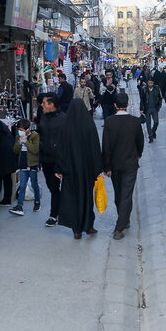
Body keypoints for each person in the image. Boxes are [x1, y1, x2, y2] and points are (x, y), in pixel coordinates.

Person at [56, 99, 103, 239]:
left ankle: (76, 229)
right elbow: (95, 147)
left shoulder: (65, 126)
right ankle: (88, 225)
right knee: (87, 197)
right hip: (86, 170)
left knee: (72, 198)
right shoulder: (88, 124)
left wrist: (59, 168)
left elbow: (60, 149)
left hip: (70, 170)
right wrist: (98, 168)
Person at [101, 92, 144, 240]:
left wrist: (106, 166)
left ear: (114, 105)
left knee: (119, 193)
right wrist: (138, 154)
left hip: (115, 164)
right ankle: (124, 220)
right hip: (130, 163)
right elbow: (140, 141)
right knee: (126, 194)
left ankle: (120, 226)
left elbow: (105, 146)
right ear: (127, 104)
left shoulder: (109, 122)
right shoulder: (135, 121)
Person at [37, 93, 67, 227]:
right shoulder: (42, 118)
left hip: (60, 159)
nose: (41, 105)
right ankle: (59, 210)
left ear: (51, 104)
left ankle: (54, 214)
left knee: (57, 187)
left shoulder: (64, 119)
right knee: (52, 187)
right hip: (46, 159)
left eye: (44, 103)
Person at [9, 118, 40, 216]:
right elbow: (15, 150)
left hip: (32, 164)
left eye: (22, 130)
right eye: (19, 130)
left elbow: (35, 150)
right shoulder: (18, 136)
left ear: (27, 129)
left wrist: (26, 142)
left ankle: (37, 202)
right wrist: (19, 142)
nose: (20, 132)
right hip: (22, 164)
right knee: (22, 186)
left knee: (34, 184)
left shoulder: (35, 136)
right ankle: (19, 206)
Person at [142, 75, 163, 143]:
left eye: (151, 83)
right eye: (149, 83)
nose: (150, 84)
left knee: (156, 122)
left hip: (154, 107)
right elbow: (142, 100)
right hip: (147, 108)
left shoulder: (157, 88)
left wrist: (159, 106)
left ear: (153, 82)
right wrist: (141, 109)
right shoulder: (144, 89)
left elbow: (160, 97)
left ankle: (153, 131)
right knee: (148, 123)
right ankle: (150, 136)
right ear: (147, 83)